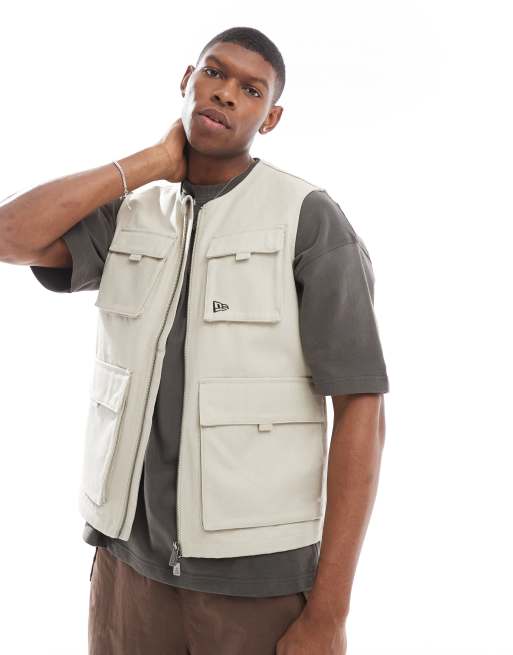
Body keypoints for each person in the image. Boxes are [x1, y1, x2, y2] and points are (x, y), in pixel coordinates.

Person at [0, 25, 389, 655]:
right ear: (187, 81)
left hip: (254, 585)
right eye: (214, 72)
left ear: (271, 117)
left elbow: (361, 410)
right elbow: (9, 234)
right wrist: (149, 164)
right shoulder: (131, 211)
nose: (227, 93)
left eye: (252, 90)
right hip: (127, 572)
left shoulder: (308, 219)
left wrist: (330, 613)